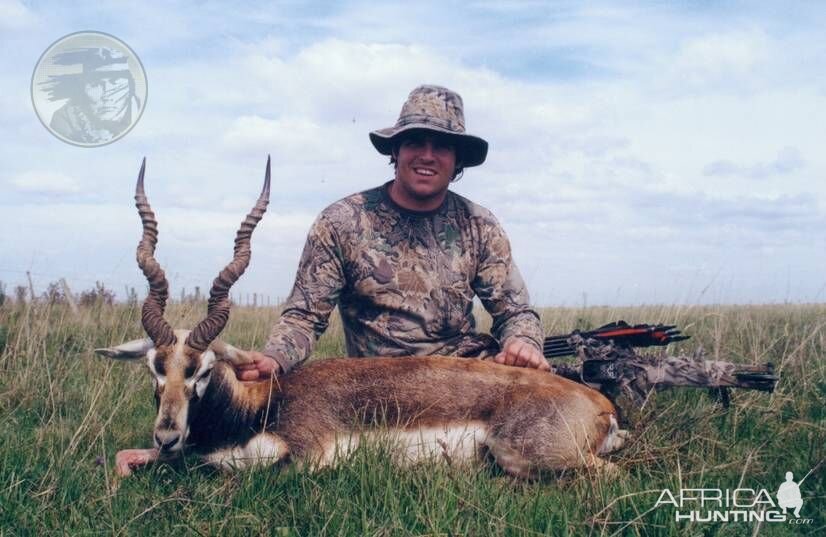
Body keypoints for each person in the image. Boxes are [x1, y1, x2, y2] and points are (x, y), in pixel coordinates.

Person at [236, 85, 549, 381]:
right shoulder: (341, 222)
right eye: (415, 142)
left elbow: (515, 312)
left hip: (467, 383)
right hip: (381, 390)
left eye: (441, 146)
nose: (427, 155)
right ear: (396, 151)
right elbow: (305, 316)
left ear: (457, 162)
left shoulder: (480, 226)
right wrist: (275, 359)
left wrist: (523, 343)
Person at [40, 47, 141, 144]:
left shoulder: (142, 113)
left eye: (115, 82)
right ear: (83, 88)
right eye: (95, 84)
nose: (106, 94)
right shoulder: (64, 121)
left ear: (130, 86)